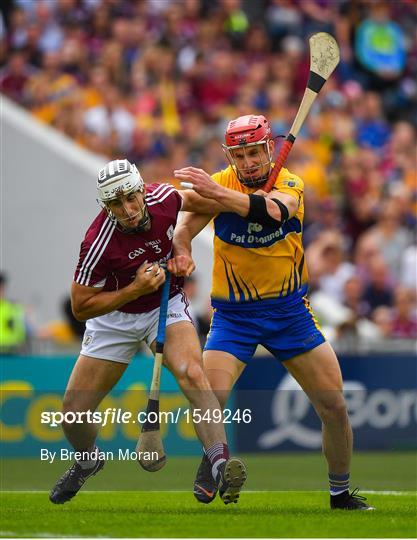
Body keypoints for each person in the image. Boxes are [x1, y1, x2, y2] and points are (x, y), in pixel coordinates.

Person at [172, 114, 374, 510]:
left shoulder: (290, 184)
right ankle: (214, 459)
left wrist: (214, 193)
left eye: (253, 153)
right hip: (234, 317)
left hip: (290, 315)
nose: (247, 162)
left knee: (333, 406)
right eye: (239, 155)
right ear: (230, 155)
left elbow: (274, 212)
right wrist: (180, 247)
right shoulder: (220, 182)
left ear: (269, 149)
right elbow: (183, 225)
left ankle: (340, 493)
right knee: (209, 397)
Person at [49, 159, 247, 505]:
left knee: (192, 372)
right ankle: (87, 459)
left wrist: (182, 249)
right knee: (73, 413)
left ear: (142, 189)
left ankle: (219, 465)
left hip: (164, 303)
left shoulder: (165, 198)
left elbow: (206, 204)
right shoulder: (98, 243)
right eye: (115, 203)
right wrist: (133, 289)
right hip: (115, 317)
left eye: (130, 197)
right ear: (105, 205)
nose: (126, 209)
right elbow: (81, 307)